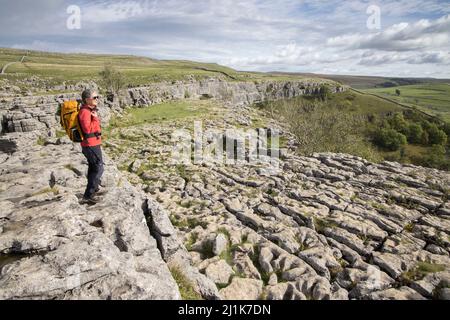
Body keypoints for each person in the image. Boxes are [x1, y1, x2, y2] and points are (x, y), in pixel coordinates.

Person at [79, 89, 105, 205]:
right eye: (95, 97)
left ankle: (93, 189)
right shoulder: (85, 112)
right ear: (87, 99)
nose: (97, 99)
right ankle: (88, 195)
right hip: (90, 144)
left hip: (93, 143)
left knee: (93, 168)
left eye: (97, 97)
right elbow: (87, 129)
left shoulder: (89, 110)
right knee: (99, 168)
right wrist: (94, 118)